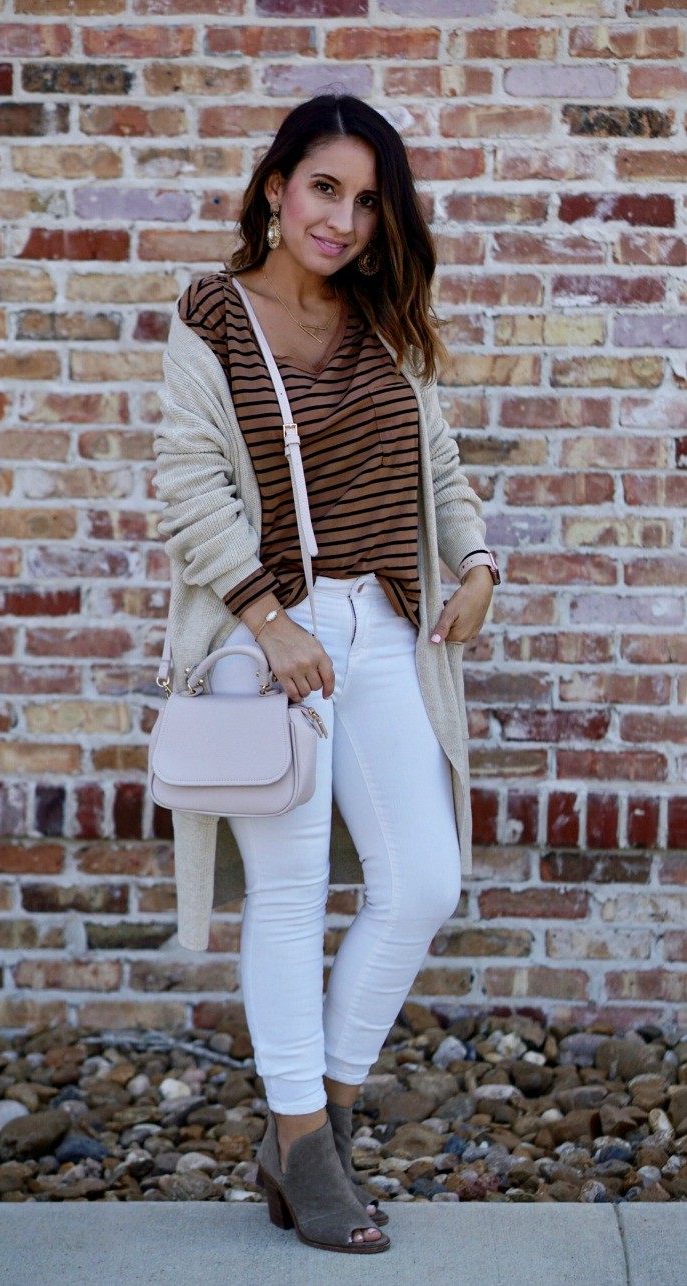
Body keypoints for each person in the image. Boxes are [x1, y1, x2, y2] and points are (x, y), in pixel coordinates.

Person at [153, 93, 499, 1255]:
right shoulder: (213, 316)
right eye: (323, 189)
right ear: (274, 187)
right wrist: (263, 614)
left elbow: (438, 462)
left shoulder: (386, 320)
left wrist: (479, 557)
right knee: (293, 891)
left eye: (364, 199)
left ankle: (320, 1119)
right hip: (269, 645)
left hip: (382, 627)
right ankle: (306, 1140)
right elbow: (188, 484)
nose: (342, 218)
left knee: (422, 882)